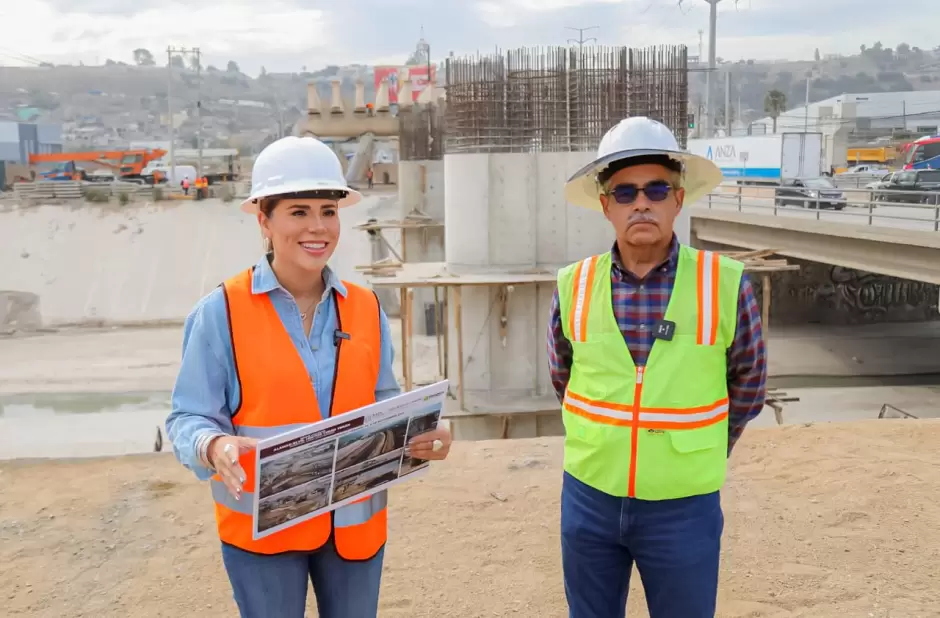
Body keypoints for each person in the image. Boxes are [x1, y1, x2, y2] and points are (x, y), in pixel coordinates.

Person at [165, 135, 454, 618]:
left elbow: (385, 401)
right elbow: (188, 417)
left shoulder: (364, 308)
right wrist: (214, 447)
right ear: (264, 219)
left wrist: (426, 431)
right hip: (265, 529)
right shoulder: (221, 312)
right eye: (299, 212)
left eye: (328, 210)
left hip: (354, 526)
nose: (317, 227)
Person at [547, 117, 767, 618]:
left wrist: (699, 447)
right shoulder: (574, 285)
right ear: (605, 206)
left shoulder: (724, 283)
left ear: (678, 199)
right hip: (589, 499)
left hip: (683, 505)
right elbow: (563, 376)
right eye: (624, 192)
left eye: (655, 189)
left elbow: (749, 387)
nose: (640, 202)